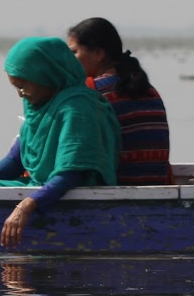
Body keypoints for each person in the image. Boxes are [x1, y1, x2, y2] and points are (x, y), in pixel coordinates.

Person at [0, 37, 122, 249]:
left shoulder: (77, 109)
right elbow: (16, 160)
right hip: (42, 186)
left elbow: (71, 174)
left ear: (46, 75)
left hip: (73, 190)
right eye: (16, 87)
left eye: (23, 86)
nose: (20, 94)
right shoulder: (38, 108)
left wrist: (27, 206)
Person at [66, 17, 173, 185]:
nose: (69, 60)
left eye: (74, 52)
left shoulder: (91, 91)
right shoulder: (150, 90)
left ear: (98, 53)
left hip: (116, 187)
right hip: (159, 185)